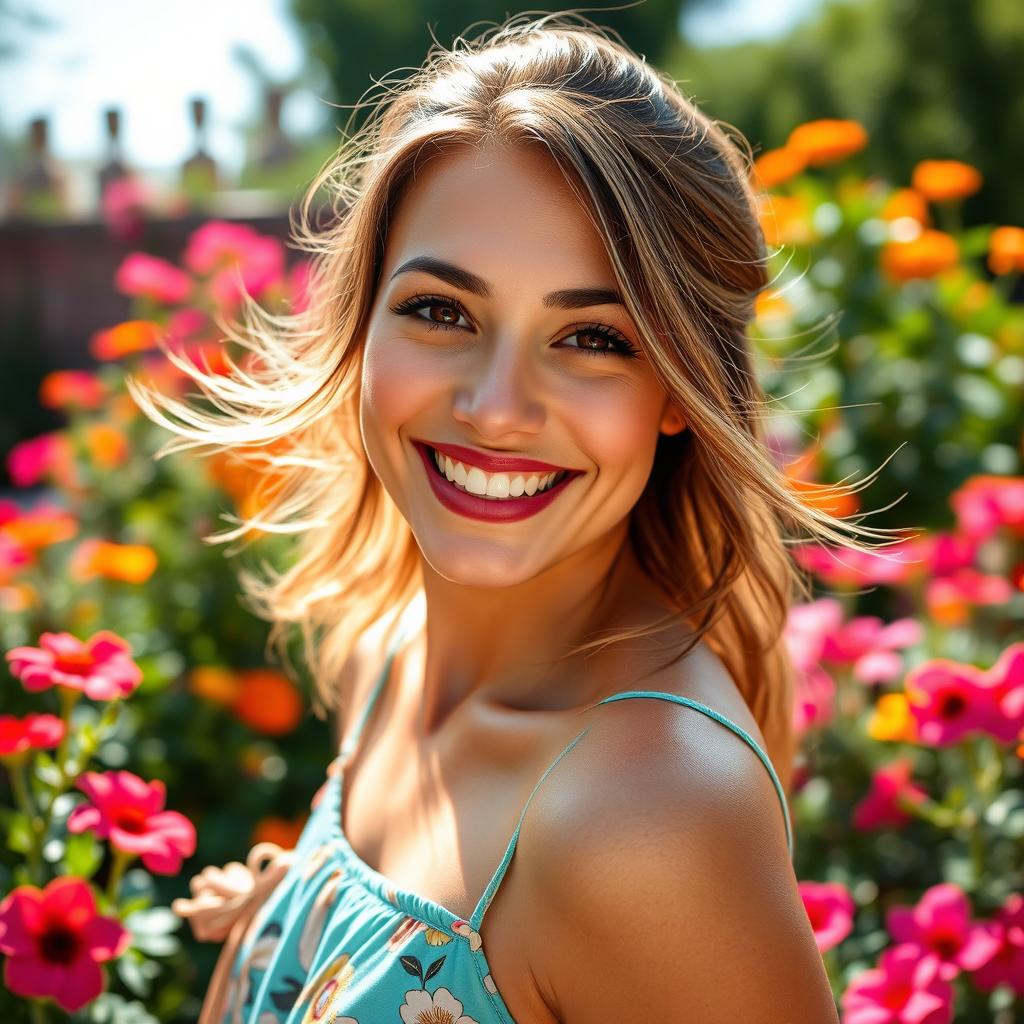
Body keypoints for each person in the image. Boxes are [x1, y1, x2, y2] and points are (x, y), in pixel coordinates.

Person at [152, 13, 897, 1023]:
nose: (497, 406)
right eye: (442, 312)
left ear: (681, 390)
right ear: (362, 319)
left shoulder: (647, 818)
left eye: (591, 336)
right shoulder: (392, 653)